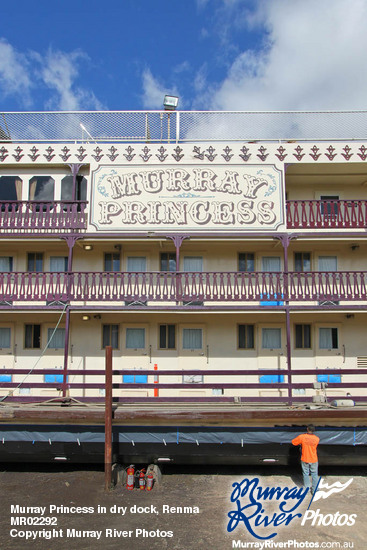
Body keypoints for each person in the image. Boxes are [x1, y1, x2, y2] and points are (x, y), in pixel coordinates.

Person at [292, 425, 320, 495]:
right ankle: (314, 490)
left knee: (305, 474)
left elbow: (293, 442)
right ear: (314, 430)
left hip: (305, 458)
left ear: (307, 429)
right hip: (314, 459)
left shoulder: (302, 437)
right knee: (314, 474)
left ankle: (307, 488)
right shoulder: (317, 439)